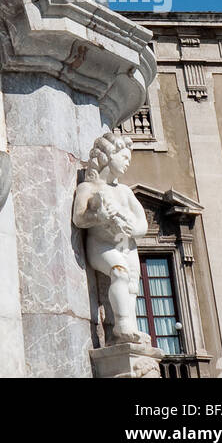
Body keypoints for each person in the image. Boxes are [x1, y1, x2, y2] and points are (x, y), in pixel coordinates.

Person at [72, 132, 149, 340]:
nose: (127, 163)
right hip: (100, 245)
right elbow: (79, 219)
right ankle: (121, 325)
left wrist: (134, 229)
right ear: (108, 156)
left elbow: (143, 222)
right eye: (124, 157)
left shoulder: (124, 191)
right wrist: (98, 217)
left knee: (132, 283)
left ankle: (130, 325)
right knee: (120, 272)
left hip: (126, 244)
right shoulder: (88, 188)